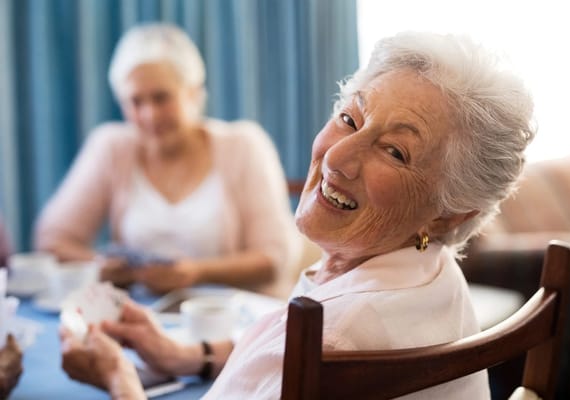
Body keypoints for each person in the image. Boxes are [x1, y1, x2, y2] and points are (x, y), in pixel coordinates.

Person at [60, 31, 535, 399]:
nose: (336, 158)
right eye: (350, 118)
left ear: (448, 215)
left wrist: (118, 376)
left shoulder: (335, 337)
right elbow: (283, 355)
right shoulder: (429, 271)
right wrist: (187, 355)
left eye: (394, 152)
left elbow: (303, 349)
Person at [34, 23, 299, 295]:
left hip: (229, 321)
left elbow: (276, 258)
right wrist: (97, 265)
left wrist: (197, 272)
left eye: (162, 98)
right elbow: (53, 240)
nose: (150, 115)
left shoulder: (245, 145)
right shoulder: (111, 147)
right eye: (136, 102)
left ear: (193, 94)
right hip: (142, 317)